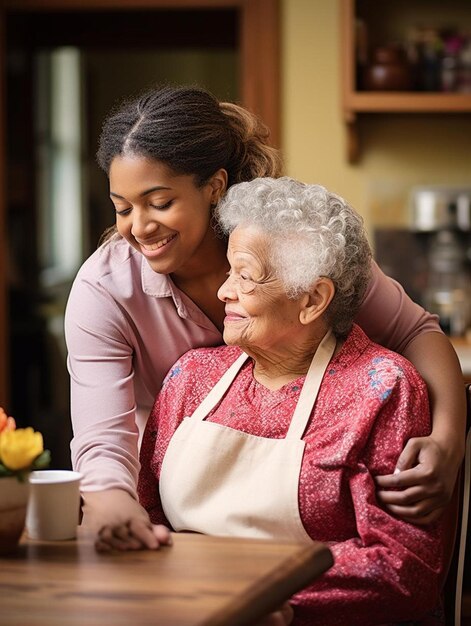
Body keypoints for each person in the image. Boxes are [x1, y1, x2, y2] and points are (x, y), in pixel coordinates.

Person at [64, 85, 465, 535]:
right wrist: (113, 503)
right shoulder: (105, 290)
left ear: (214, 186)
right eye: (122, 208)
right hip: (178, 498)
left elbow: (416, 332)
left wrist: (448, 444)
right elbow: (104, 437)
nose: (138, 227)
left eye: (161, 203)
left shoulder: (300, 248)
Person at [97, 178, 446, 625]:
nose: (224, 292)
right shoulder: (191, 378)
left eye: (244, 276)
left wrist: (249, 596)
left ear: (313, 300)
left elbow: (402, 569)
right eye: (229, 272)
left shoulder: (382, 388)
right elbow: (146, 518)